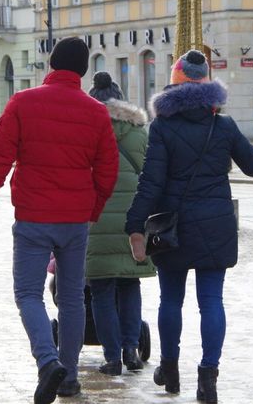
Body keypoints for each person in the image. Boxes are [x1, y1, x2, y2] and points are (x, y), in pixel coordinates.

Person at [0, 37, 119, 404]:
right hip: (75, 221)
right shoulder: (96, 112)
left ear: (51, 64)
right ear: (83, 71)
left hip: (34, 217)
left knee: (27, 294)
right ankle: (68, 376)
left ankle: (47, 360)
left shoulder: (23, 103)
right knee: (71, 299)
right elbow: (108, 171)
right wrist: (92, 210)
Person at [124, 50, 253, 404]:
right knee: (211, 301)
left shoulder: (161, 127)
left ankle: (170, 369)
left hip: (172, 228)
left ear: (174, 84)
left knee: (170, 301)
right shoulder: (222, 126)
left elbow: (151, 181)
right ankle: (208, 377)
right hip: (215, 225)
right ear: (208, 86)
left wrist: (135, 224)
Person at [85, 72, 156, 376]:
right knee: (129, 284)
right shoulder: (139, 132)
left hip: (95, 218)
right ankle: (131, 349)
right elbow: (150, 175)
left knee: (101, 290)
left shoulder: (84, 130)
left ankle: (112, 357)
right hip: (133, 221)